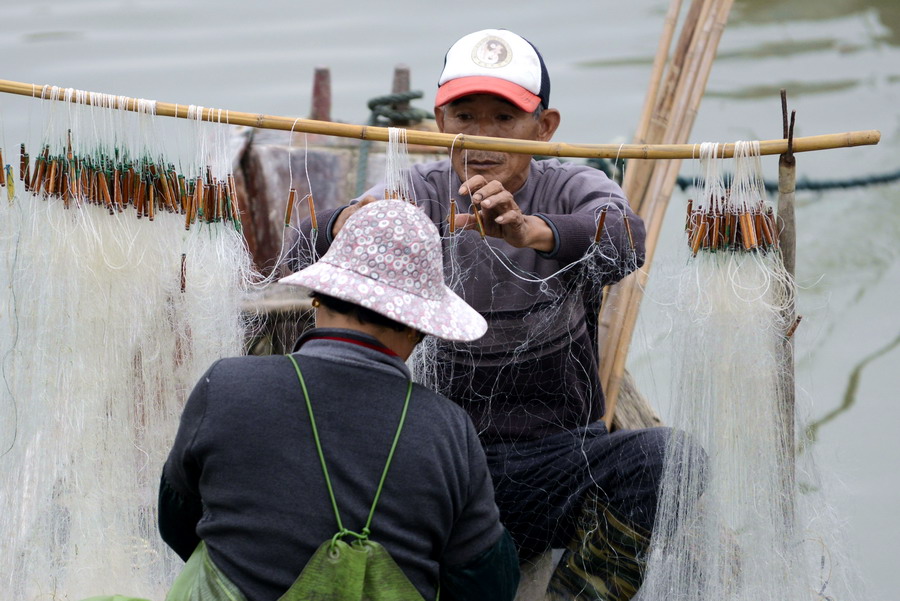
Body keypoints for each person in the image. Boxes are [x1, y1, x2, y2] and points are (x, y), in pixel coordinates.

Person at [294, 29, 669, 601]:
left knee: (665, 458)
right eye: (465, 115)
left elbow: (626, 239)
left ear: (545, 127)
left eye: (504, 118)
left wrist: (533, 230)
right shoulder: (418, 188)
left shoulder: (573, 185)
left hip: (558, 456)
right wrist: (349, 223)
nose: (482, 137)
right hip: (439, 456)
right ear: (441, 122)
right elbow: (300, 248)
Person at [158, 199, 520, 601]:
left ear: (319, 298)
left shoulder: (226, 385)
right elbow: (486, 585)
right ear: (419, 329)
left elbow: (177, 521)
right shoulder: (448, 430)